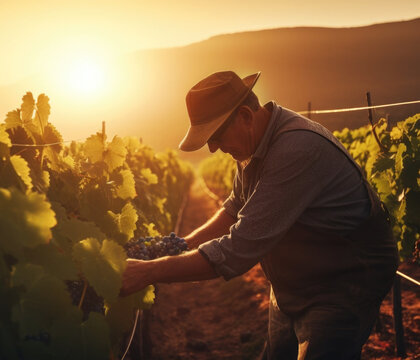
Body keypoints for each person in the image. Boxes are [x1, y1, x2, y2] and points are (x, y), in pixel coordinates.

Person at [120, 71, 398, 359]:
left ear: (244, 116)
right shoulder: (253, 143)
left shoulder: (295, 149)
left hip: (344, 280)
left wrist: (149, 272)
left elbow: (237, 251)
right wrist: (182, 244)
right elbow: (234, 206)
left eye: (215, 135)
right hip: (295, 279)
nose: (213, 147)